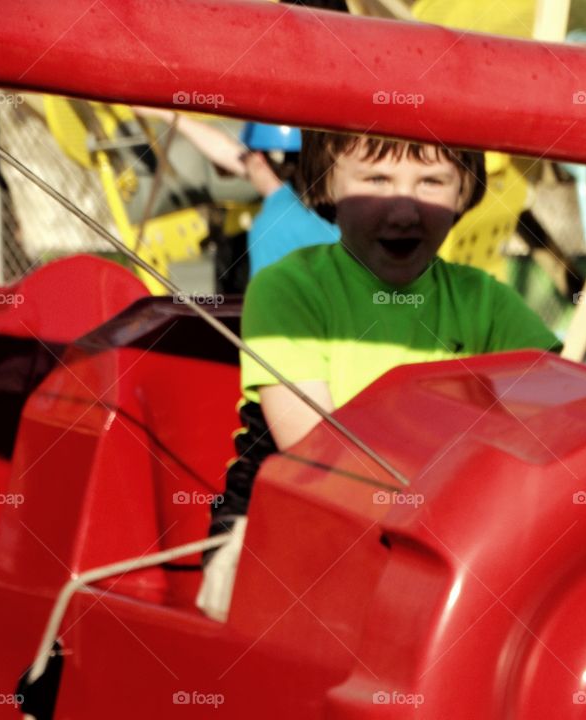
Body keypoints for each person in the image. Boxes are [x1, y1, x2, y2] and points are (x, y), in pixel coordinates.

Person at [196, 130, 561, 620]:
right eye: (377, 179)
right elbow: (318, 452)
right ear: (326, 185)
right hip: (288, 525)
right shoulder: (288, 291)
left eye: (431, 181)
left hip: (434, 533)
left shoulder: (485, 302)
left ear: (465, 189)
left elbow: (566, 409)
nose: (404, 211)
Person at [240, 123, 340, 276]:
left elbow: (268, 298)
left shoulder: (268, 225)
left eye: (244, 157)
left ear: (258, 159)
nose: (243, 165)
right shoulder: (325, 205)